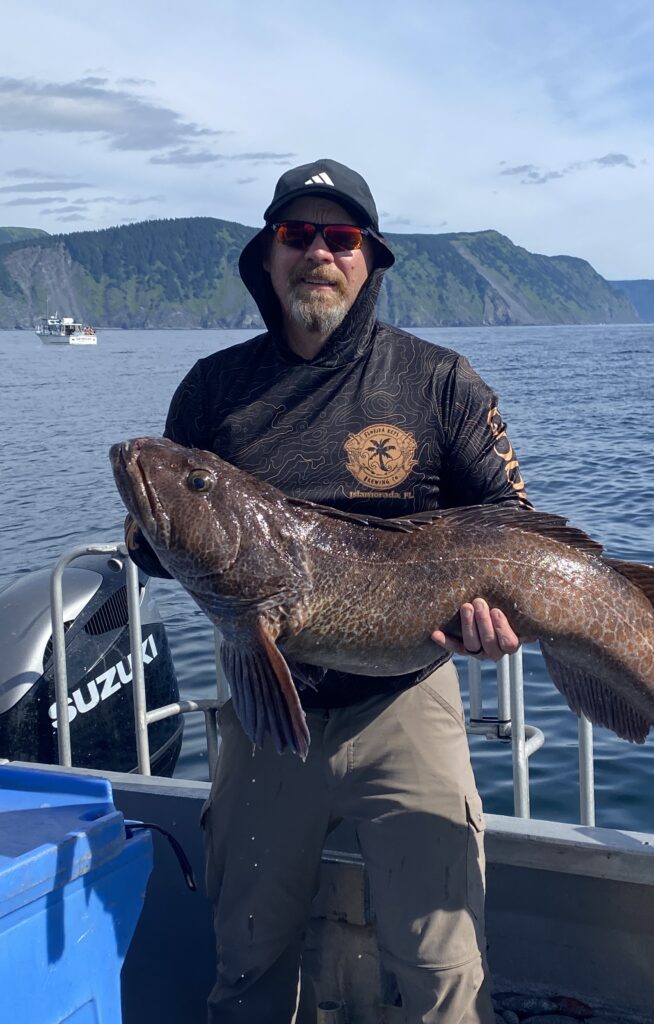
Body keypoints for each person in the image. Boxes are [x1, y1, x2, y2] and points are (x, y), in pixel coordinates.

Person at [126, 158, 532, 1024]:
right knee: (248, 961)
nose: (319, 252)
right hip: (262, 703)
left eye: (341, 238)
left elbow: (514, 527)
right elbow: (163, 548)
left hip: (407, 700)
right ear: (267, 256)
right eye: (297, 234)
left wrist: (500, 619)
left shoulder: (439, 381)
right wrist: (148, 530)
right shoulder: (212, 389)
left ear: (370, 259)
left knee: (445, 974)